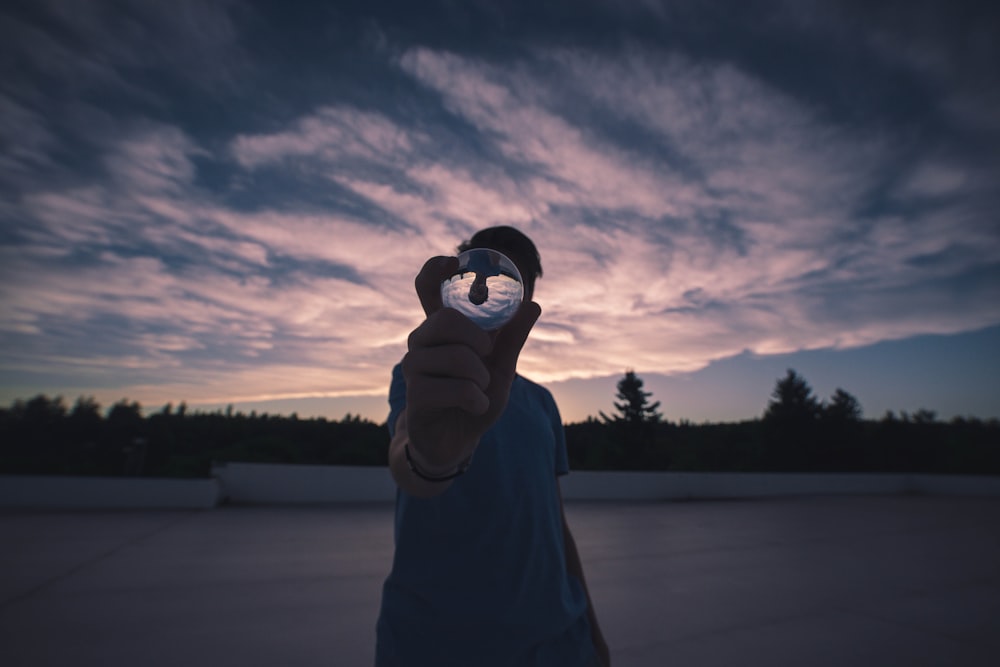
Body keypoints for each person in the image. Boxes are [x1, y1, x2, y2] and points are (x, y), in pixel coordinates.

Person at [375, 226, 610, 666]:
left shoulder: (542, 401)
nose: (485, 297)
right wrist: (434, 456)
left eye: (505, 288)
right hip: (438, 646)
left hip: (560, 641)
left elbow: (555, 523)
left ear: (525, 303)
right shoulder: (424, 377)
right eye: (476, 281)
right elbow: (407, 458)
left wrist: (593, 633)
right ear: (455, 287)